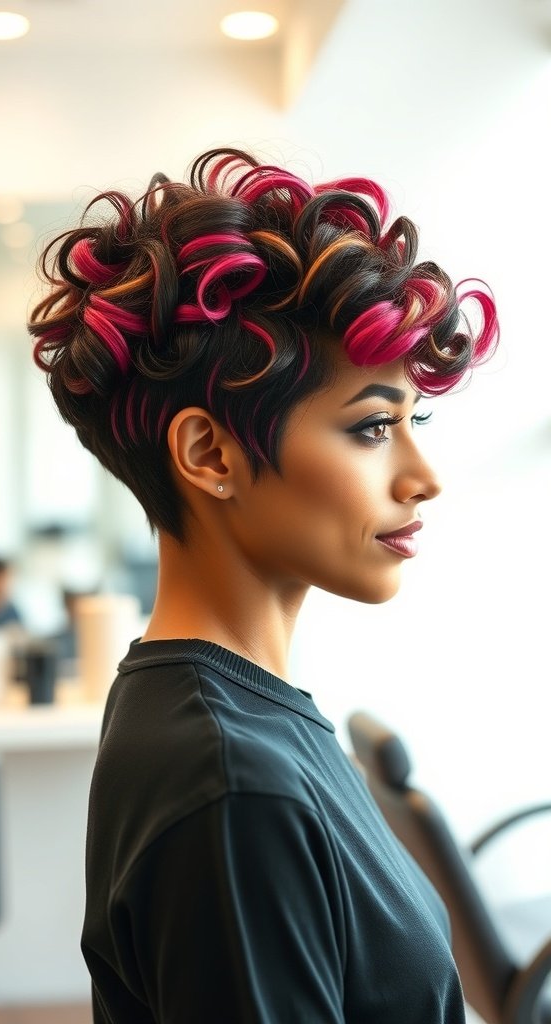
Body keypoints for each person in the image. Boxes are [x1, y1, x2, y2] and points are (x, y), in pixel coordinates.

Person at [28, 148, 498, 1023]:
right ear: (211, 455)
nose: (423, 475)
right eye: (371, 428)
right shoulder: (236, 790)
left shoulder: (232, 718)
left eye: (413, 420)